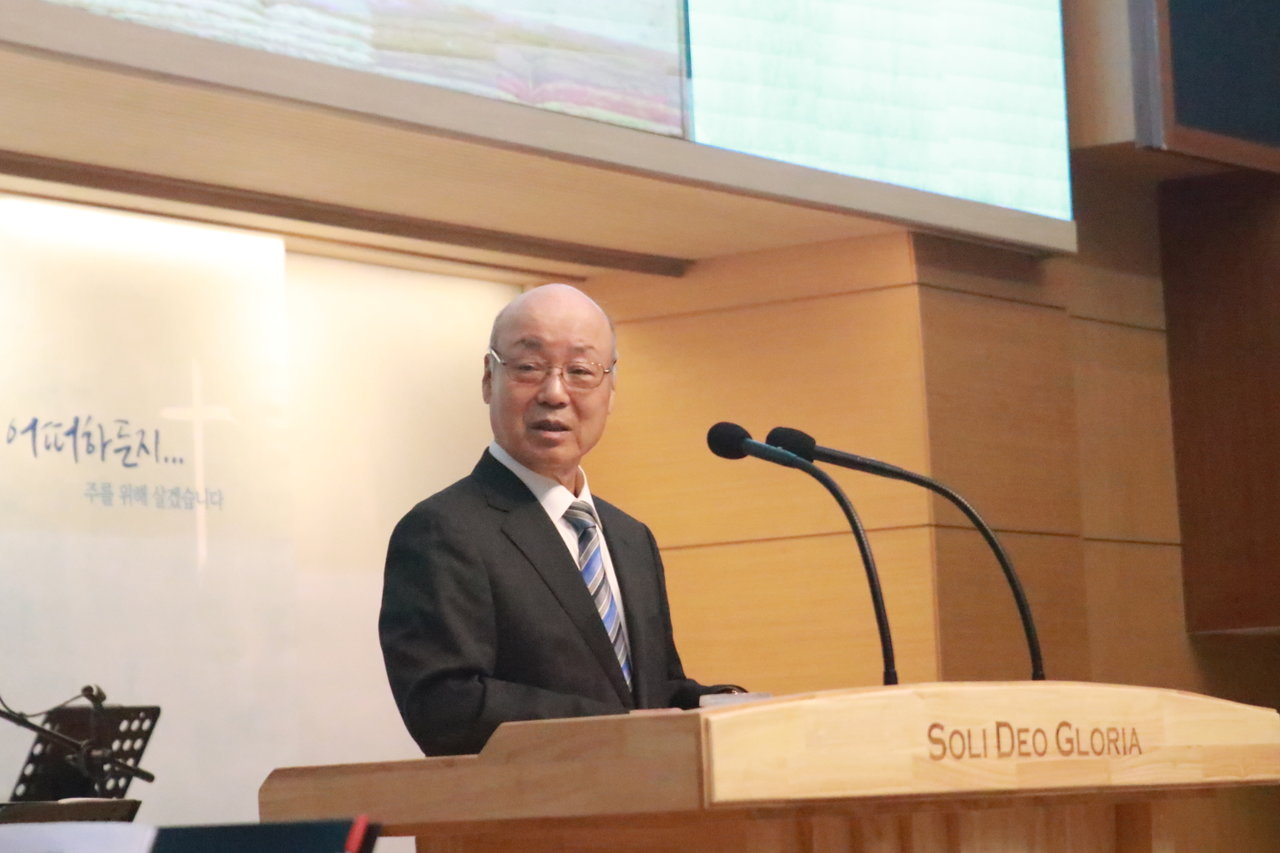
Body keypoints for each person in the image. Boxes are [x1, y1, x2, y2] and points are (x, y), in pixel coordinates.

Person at [379, 284, 739, 756]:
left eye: (580, 371)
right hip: (530, 801)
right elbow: (446, 707)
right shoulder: (442, 530)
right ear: (489, 378)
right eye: (529, 367)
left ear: (611, 389)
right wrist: (619, 727)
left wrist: (725, 705)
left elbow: (651, 693)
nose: (554, 393)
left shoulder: (630, 537)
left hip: (645, 798)